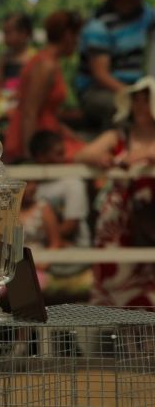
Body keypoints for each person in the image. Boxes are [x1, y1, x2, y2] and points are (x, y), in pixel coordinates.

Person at [75, 76, 155, 308]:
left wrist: (145, 158)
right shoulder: (118, 136)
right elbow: (81, 155)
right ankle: (121, 342)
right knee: (116, 282)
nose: (140, 106)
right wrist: (102, 158)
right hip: (118, 221)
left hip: (151, 219)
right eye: (136, 100)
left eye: (145, 100)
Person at [75, 0, 154, 132]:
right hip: (97, 91)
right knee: (123, 108)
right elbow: (100, 75)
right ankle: (118, 148)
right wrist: (133, 95)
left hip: (135, 87)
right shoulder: (100, 25)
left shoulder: (144, 15)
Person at [4, 10, 85, 162]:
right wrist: (31, 155)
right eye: (76, 36)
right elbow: (29, 113)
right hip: (40, 142)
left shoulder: (51, 62)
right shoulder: (45, 65)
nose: (77, 41)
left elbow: (48, 113)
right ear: (67, 35)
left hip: (49, 136)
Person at [28, 130, 93, 299]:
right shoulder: (33, 188)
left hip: (73, 252)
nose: (64, 159)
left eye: (63, 153)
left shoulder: (72, 183)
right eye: (58, 154)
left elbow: (71, 226)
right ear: (40, 157)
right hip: (45, 248)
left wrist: (42, 236)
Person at [0, 12, 35, 122]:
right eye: (4, 33)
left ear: (24, 34)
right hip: (4, 101)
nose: (5, 38)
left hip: (22, 103)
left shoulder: (32, 58)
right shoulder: (5, 57)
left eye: (8, 33)